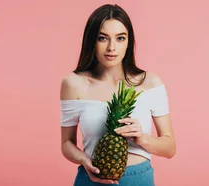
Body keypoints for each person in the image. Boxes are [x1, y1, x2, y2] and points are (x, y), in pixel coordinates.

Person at [59, 4, 176, 186]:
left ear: (129, 41)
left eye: (120, 38)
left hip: (139, 179)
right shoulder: (73, 83)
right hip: (91, 178)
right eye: (102, 38)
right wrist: (84, 160)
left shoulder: (150, 82)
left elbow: (170, 148)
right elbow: (66, 142)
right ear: (91, 41)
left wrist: (142, 138)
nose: (112, 47)